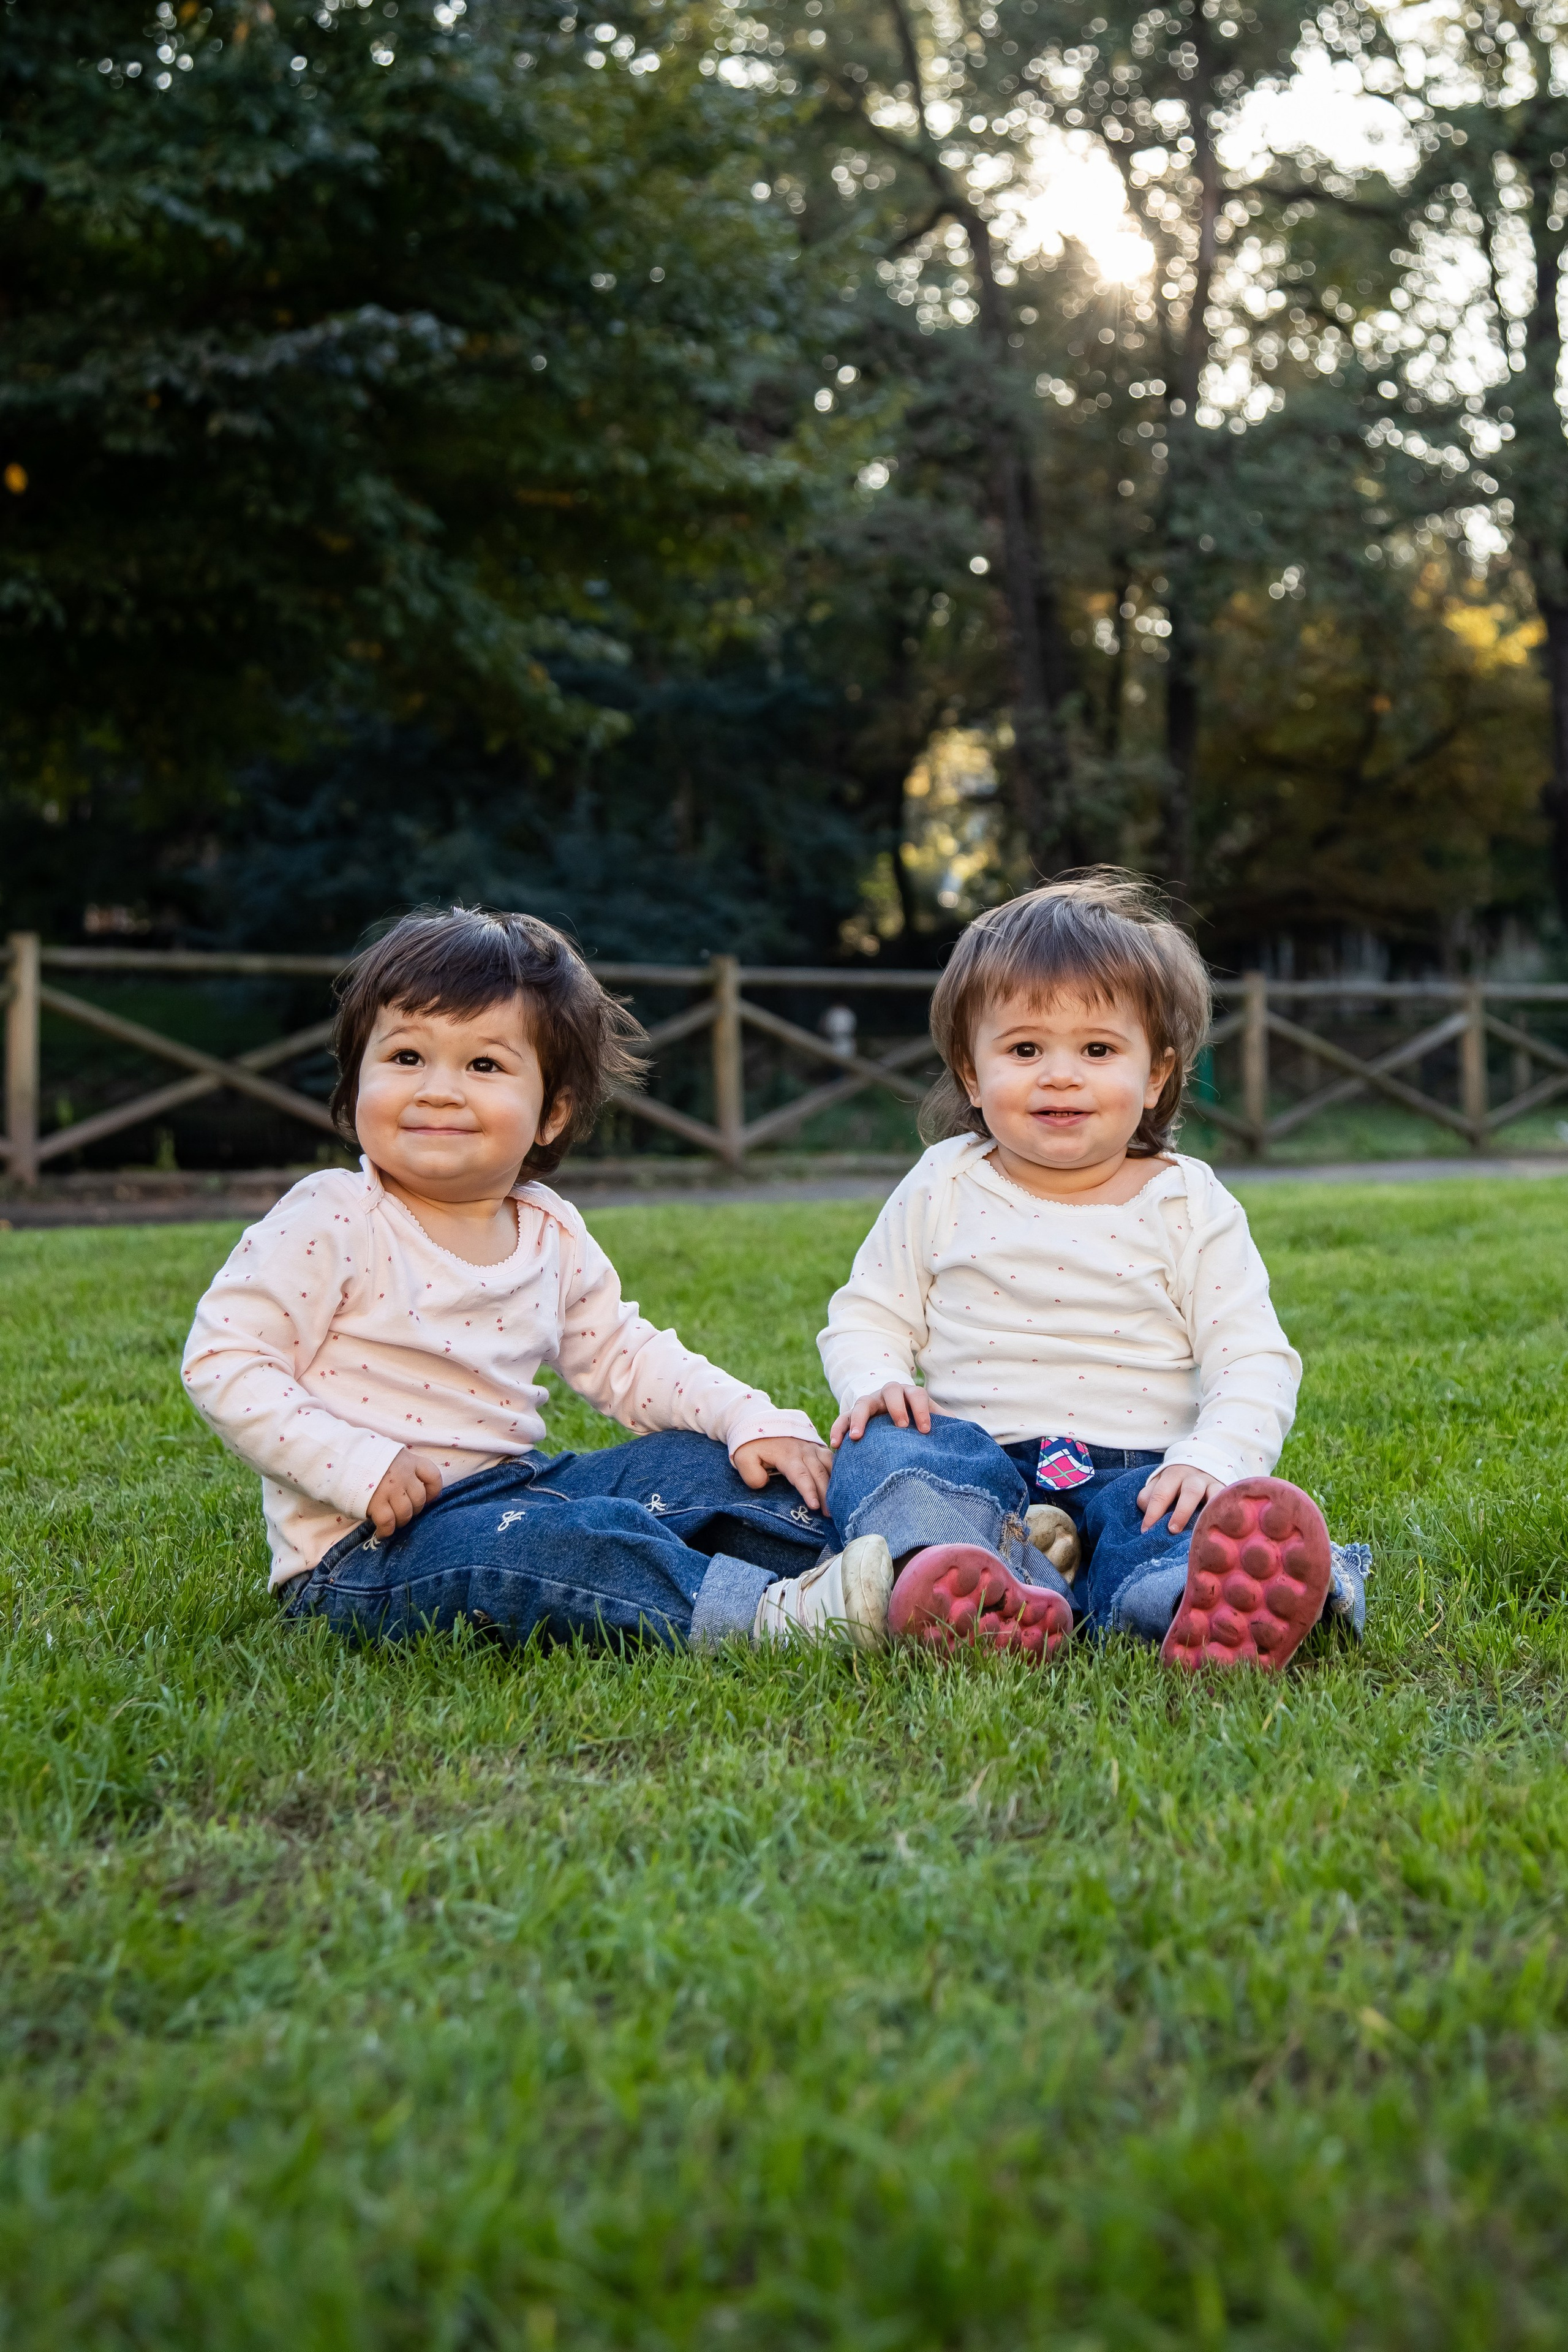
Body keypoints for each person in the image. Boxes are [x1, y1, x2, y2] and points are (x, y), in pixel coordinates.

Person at [181, 905, 897, 1653]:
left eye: (483, 1065)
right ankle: (769, 1619)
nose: (437, 1090)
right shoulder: (334, 1216)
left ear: (550, 1113)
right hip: (369, 1552)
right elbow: (226, 1361)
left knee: (699, 1465)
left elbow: (627, 1357)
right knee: (564, 1544)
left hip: (520, 1492)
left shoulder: (547, 1229)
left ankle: (903, 1559)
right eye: (405, 1058)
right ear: (356, 1075)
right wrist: (358, 1466)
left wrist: (749, 1418)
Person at [816, 872, 1369, 1670]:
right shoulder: (945, 1182)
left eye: (1098, 1049)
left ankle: (1185, 1604)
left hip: (1142, 1473)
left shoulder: (1188, 1202)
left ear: (1154, 1077)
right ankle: (958, 1578)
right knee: (882, 1450)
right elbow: (868, 1315)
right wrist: (873, 1382)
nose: (1061, 1074)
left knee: (1169, 1531)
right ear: (972, 1073)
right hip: (979, 1470)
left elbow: (1251, 1358)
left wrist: (1212, 1458)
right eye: (1025, 1049)